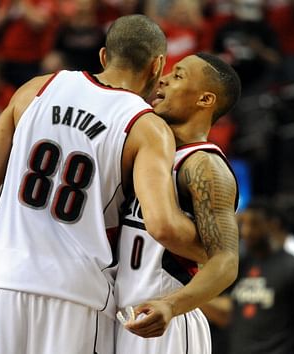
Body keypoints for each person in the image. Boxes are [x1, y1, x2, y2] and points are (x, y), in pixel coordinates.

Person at [0, 14, 202, 354]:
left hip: (2, 284)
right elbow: (162, 225)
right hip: (76, 296)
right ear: (157, 65)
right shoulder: (145, 126)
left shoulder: (35, 90)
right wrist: (216, 252)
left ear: (104, 56)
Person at [115, 52, 241, 354]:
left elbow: (225, 262)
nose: (164, 79)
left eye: (179, 76)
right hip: (123, 316)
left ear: (205, 100)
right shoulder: (146, 152)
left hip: (165, 325)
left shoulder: (204, 166)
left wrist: (170, 307)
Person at [212, 202, 294, 354]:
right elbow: (227, 309)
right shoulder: (240, 265)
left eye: (254, 224)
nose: (246, 231)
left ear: (273, 225)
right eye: (243, 224)